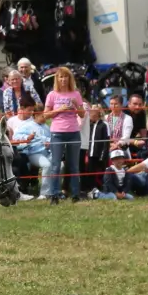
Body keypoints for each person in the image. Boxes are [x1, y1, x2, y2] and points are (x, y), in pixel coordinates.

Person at [43, 66, 86, 203]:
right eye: (60, 77)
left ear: (69, 78)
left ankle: (75, 194)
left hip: (73, 132)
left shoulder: (76, 94)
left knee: (74, 165)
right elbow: (45, 115)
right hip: (57, 132)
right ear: (57, 79)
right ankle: (54, 195)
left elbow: (82, 114)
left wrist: (77, 107)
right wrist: (60, 109)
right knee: (55, 165)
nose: (63, 79)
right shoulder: (52, 95)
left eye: (65, 76)